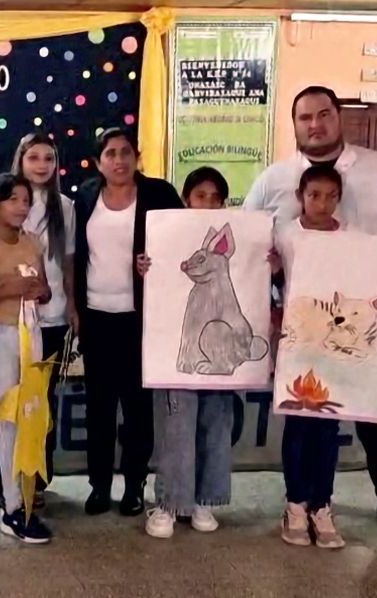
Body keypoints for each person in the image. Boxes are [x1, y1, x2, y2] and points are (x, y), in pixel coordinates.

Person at [243, 85, 377, 527]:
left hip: (371, 321)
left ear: (338, 116)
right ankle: (302, 502)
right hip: (304, 327)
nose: (315, 124)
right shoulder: (273, 179)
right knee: (309, 416)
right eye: (305, 117)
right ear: (294, 125)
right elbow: (249, 241)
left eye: (324, 114)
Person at [74, 128, 183, 517]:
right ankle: (99, 486)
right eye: (110, 154)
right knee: (99, 408)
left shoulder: (159, 193)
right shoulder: (86, 196)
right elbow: (77, 256)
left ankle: (134, 485)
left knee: (137, 408)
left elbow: (184, 243)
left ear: (137, 156)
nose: (118, 160)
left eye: (125, 152)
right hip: (96, 317)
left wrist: (157, 261)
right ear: (98, 162)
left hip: (142, 318)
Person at [137, 167, 236, 539]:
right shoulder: (167, 235)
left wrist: (266, 262)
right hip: (176, 350)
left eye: (215, 198)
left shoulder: (237, 239)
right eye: (200, 196)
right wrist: (146, 266)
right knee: (175, 424)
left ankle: (203, 500)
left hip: (220, 354)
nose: (208, 203)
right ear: (186, 199)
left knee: (215, 423)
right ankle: (169, 502)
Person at [0, 172, 53, 544]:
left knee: (31, 417)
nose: (21, 207)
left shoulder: (33, 242)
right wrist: (10, 289)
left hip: (32, 330)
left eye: (26, 201)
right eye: (14, 200)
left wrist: (40, 291)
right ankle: (11, 506)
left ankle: (27, 497)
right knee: (9, 418)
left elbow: (46, 290)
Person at [273, 165, 347, 549]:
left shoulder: (350, 238)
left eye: (331, 196)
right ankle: (295, 504)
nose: (322, 203)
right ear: (300, 197)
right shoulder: (286, 235)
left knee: (328, 427)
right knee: (298, 425)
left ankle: (322, 504)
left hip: (334, 346)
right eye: (314, 195)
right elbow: (267, 278)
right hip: (296, 342)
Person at [12, 132, 77, 508]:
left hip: (51, 319)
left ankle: (35, 481)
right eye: (33, 158)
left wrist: (73, 306)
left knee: (42, 402)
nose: (41, 165)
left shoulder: (64, 206)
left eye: (48, 159)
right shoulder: (5, 199)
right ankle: (4, 480)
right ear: (20, 161)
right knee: (10, 399)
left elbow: (67, 262)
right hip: (10, 318)